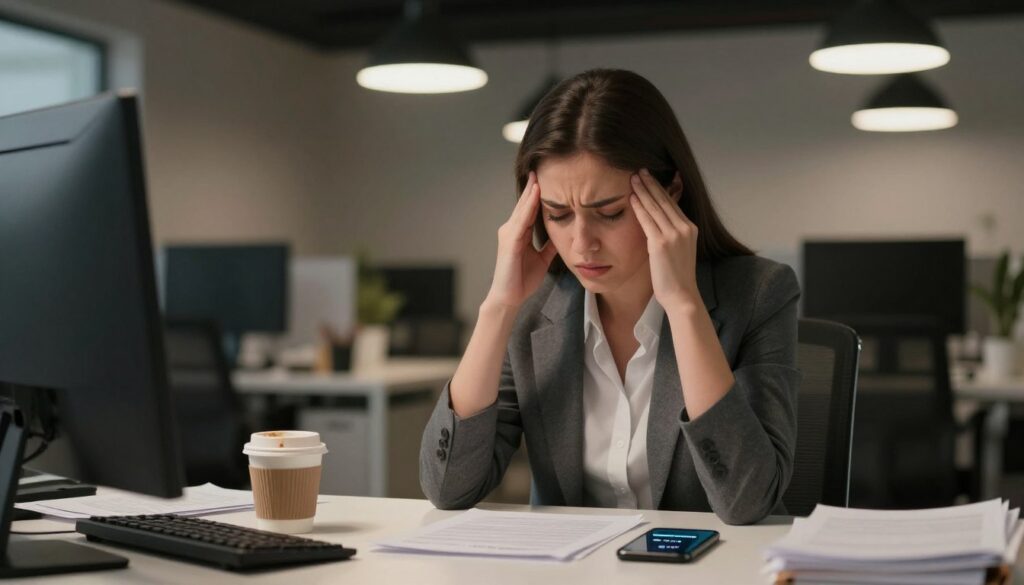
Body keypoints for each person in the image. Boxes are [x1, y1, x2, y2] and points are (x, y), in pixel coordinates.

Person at [419, 68, 799, 525]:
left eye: (610, 213)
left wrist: (684, 307)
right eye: (557, 214)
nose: (582, 243)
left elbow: (747, 502)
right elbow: (447, 488)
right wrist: (498, 308)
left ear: (671, 191)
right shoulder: (535, 312)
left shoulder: (759, 294)